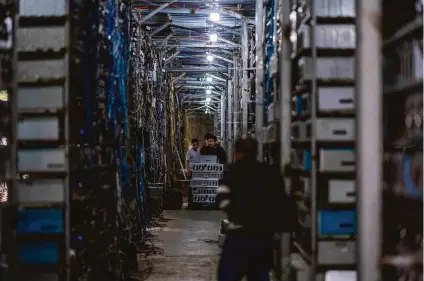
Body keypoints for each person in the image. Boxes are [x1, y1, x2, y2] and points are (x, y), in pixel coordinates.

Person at [216, 137, 296, 281]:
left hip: (238, 235)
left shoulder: (232, 172)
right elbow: (281, 203)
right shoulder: (269, 173)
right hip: (262, 237)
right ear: (256, 152)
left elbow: (222, 200)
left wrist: (237, 214)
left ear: (237, 153)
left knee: (227, 275)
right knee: (260, 275)